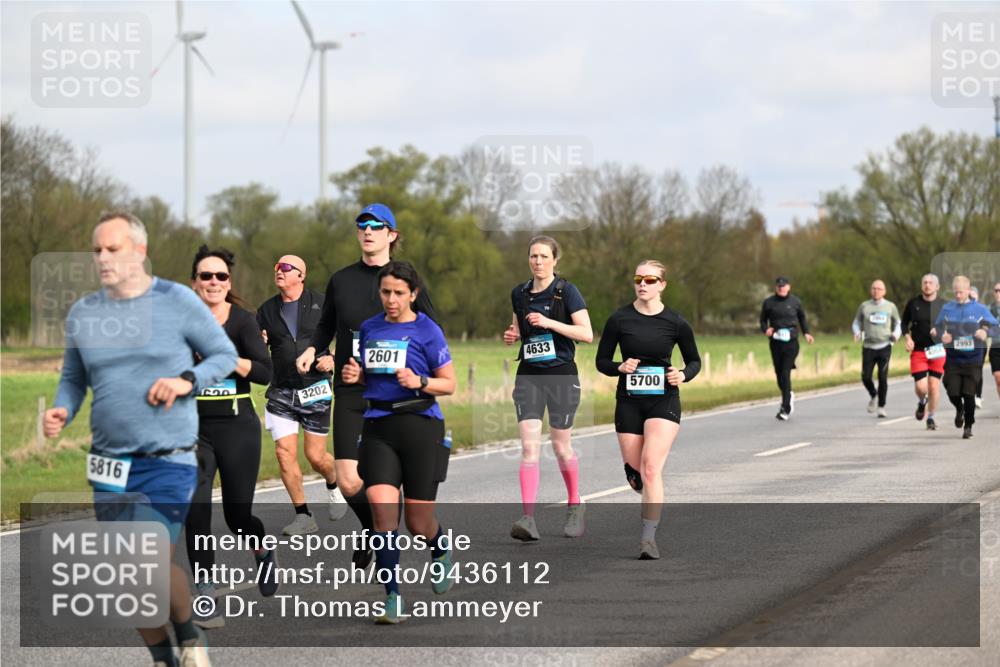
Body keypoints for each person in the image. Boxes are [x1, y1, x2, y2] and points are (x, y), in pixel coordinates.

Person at [44, 212, 237, 667]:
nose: (103, 258)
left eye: (113, 249)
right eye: (97, 251)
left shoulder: (176, 302)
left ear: (140, 252)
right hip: (109, 463)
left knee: (146, 558)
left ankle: (188, 633)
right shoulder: (84, 313)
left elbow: (224, 355)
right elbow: (73, 379)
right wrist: (62, 409)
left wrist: (186, 380)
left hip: (168, 459)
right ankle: (164, 658)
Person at [296, 203, 437, 569]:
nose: (368, 231)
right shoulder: (341, 279)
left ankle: (383, 531)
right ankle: (373, 529)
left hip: (396, 394)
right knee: (347, 480)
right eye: (362, 225)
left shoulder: (404, 281)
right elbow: (326, 324)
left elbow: (430, 331)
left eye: (376, 225)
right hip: (351, 389)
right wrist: (313, 348)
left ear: (392, 235)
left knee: (385, 483)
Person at [341, 261, 457, 624]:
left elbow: (449, 384)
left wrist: (420, 380)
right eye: (386, 292)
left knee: (418, 523)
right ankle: (392, 598)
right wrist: (356, 375)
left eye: (399, 293)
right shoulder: (370, 328)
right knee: (381, 512)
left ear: (413, 295)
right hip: (378, 426)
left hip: (421, 426)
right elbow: (366, 375)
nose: (391, 299)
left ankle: (440, 548)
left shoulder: (428, 330)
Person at [184, 246, 277, 629]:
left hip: (238, 427)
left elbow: (264, 372)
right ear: (194, 283)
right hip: (194, 430)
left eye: (221, 277)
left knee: (237, 516)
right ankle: (204, 590)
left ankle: (261, 545)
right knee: (197, 511)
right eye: (206, 276)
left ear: (229, 283)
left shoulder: (243, 322)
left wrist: (226, 358)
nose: (214, 283)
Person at [595, 261, 700, 560]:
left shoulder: (676, 322)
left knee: (652, 467)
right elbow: (602, 361)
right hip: (629, 400)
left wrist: (683, 374)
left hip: (663, 399)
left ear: (662, 285)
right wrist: (619, 366)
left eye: (650, 279)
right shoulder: (619, 319)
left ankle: (648, 539)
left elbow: (694, 361)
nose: (642, 284)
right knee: (638, 474)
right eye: (638, 279)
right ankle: (637, 478)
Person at [502, 236, 593, 541]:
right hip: (528, 375)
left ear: (555, 260)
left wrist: (550, 323)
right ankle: (528, 518)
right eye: (533, 256)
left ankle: (575, 503)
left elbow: (587, 333)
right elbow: (518, 327)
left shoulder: (567, 292)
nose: (538, 261)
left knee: (560, 446)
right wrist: (513, 335)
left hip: (561, 376)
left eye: (543, 256)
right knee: (529, 447)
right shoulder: (519, 293)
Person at [257, 254, 345, 535]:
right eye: (276, 267)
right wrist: (258, 343)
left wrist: (333, 358)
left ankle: (333, 484)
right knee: (284, 454)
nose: (278, 271)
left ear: (301, 275)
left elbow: (347, 335)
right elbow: (256, 344)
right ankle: (303, 515)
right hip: (281, 390)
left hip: (315, 387)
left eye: (285, 267)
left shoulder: (322, 303)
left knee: (316, 456)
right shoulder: (267, 310)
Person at [930, 275, 998, 439]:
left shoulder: (980, 309)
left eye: (961, 292)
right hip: (953, 359)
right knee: (952, 391)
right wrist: (941, 335)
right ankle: (959, 409)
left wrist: (985, 332)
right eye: (956, 292)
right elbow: (936, 329)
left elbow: (996, 327)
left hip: (973, 359)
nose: (958, 295)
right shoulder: (947, 308)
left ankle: (968, 425)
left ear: (968, 291)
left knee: (969, 394)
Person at [759, 276, 814, 420]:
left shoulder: (795, 302)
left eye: (783, 286)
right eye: (779, 286)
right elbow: (762, 320)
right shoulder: (769, 302)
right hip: (775, 342)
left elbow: (802, 318)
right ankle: (788, 394)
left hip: (791, 341)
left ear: (789, 287)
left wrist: (806, 333)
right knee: (779, 374)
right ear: (776, 287)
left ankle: (785, 408)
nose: (781, 288)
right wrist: (766, 330)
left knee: (785, 372)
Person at [852, 280, 901, 418]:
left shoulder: (890, 306)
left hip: (885, 345)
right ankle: (874, 395)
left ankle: (881, 406)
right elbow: (856, 322)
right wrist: (856, 332)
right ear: (870, 290)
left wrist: (896, 335)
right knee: (865, 376)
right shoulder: (864, 306)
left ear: (884, 291)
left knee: (882, 376)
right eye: (874, 288)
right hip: (868, 346)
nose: (876, 291)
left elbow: (898, 323)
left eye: (879, 289)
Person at [902, 273, 944, 430]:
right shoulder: (913, 303)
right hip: (919, 351)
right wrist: (907, 338)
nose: (927, 285)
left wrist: (943, 334)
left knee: (933, 386)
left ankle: (931, 417)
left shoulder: (944, 305)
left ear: (937, 287)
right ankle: (922, 402)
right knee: (921, 387)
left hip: (937, 350)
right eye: (925, 282)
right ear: (921, 285)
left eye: (931, 283)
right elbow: (904, 323)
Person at [991, 282, 1000, 403]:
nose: (998, 292)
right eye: (996, 290)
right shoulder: (989, 309)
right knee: (998, 378)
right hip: (996, 346)